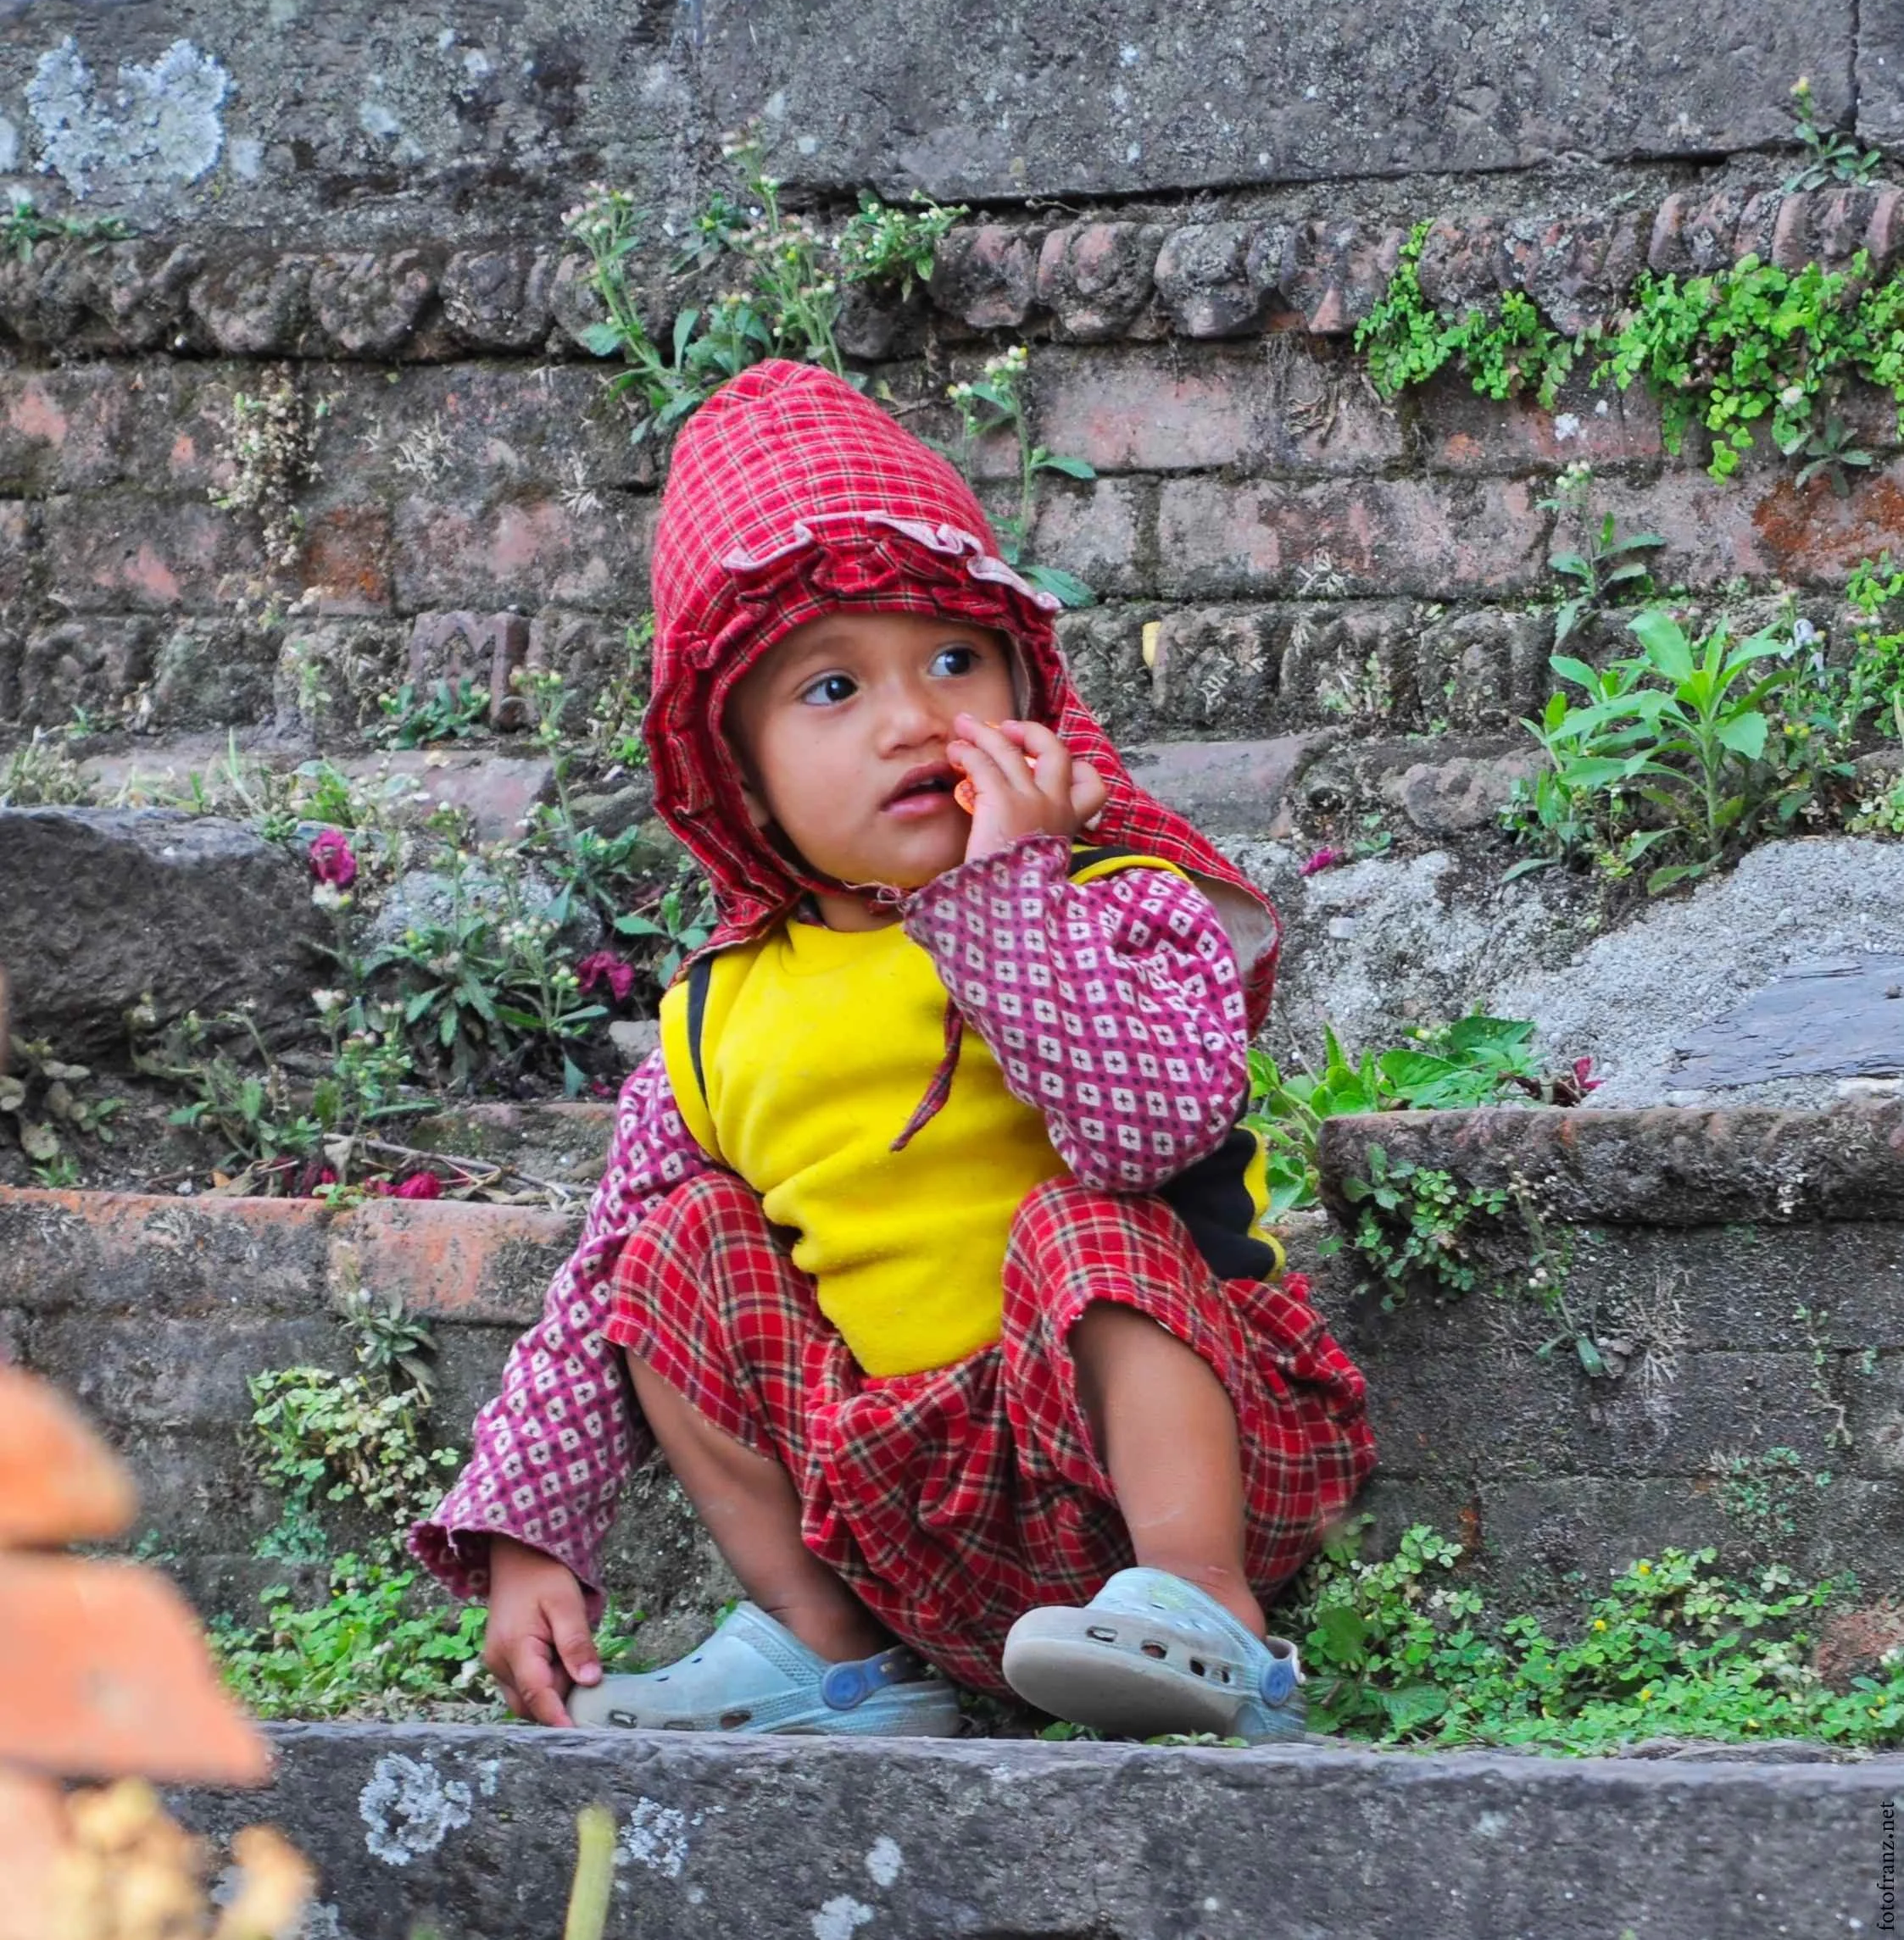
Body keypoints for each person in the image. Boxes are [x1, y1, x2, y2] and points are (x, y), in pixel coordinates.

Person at [410, 358, 1377, 1742]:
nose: (912, 716)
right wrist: (526, 1535)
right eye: (828, 688)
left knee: (1079, 1215)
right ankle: (835, 1654)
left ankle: (1206, 1608)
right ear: (737, 779)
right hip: (914, 1505)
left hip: (1194, 1447)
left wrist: (1008, 887)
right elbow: (592, 1302)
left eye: (951, 659)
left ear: (1024, 684)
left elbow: (1145, 1132)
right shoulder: (715, 1014)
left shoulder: (1121, 901)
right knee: (667, 1245)